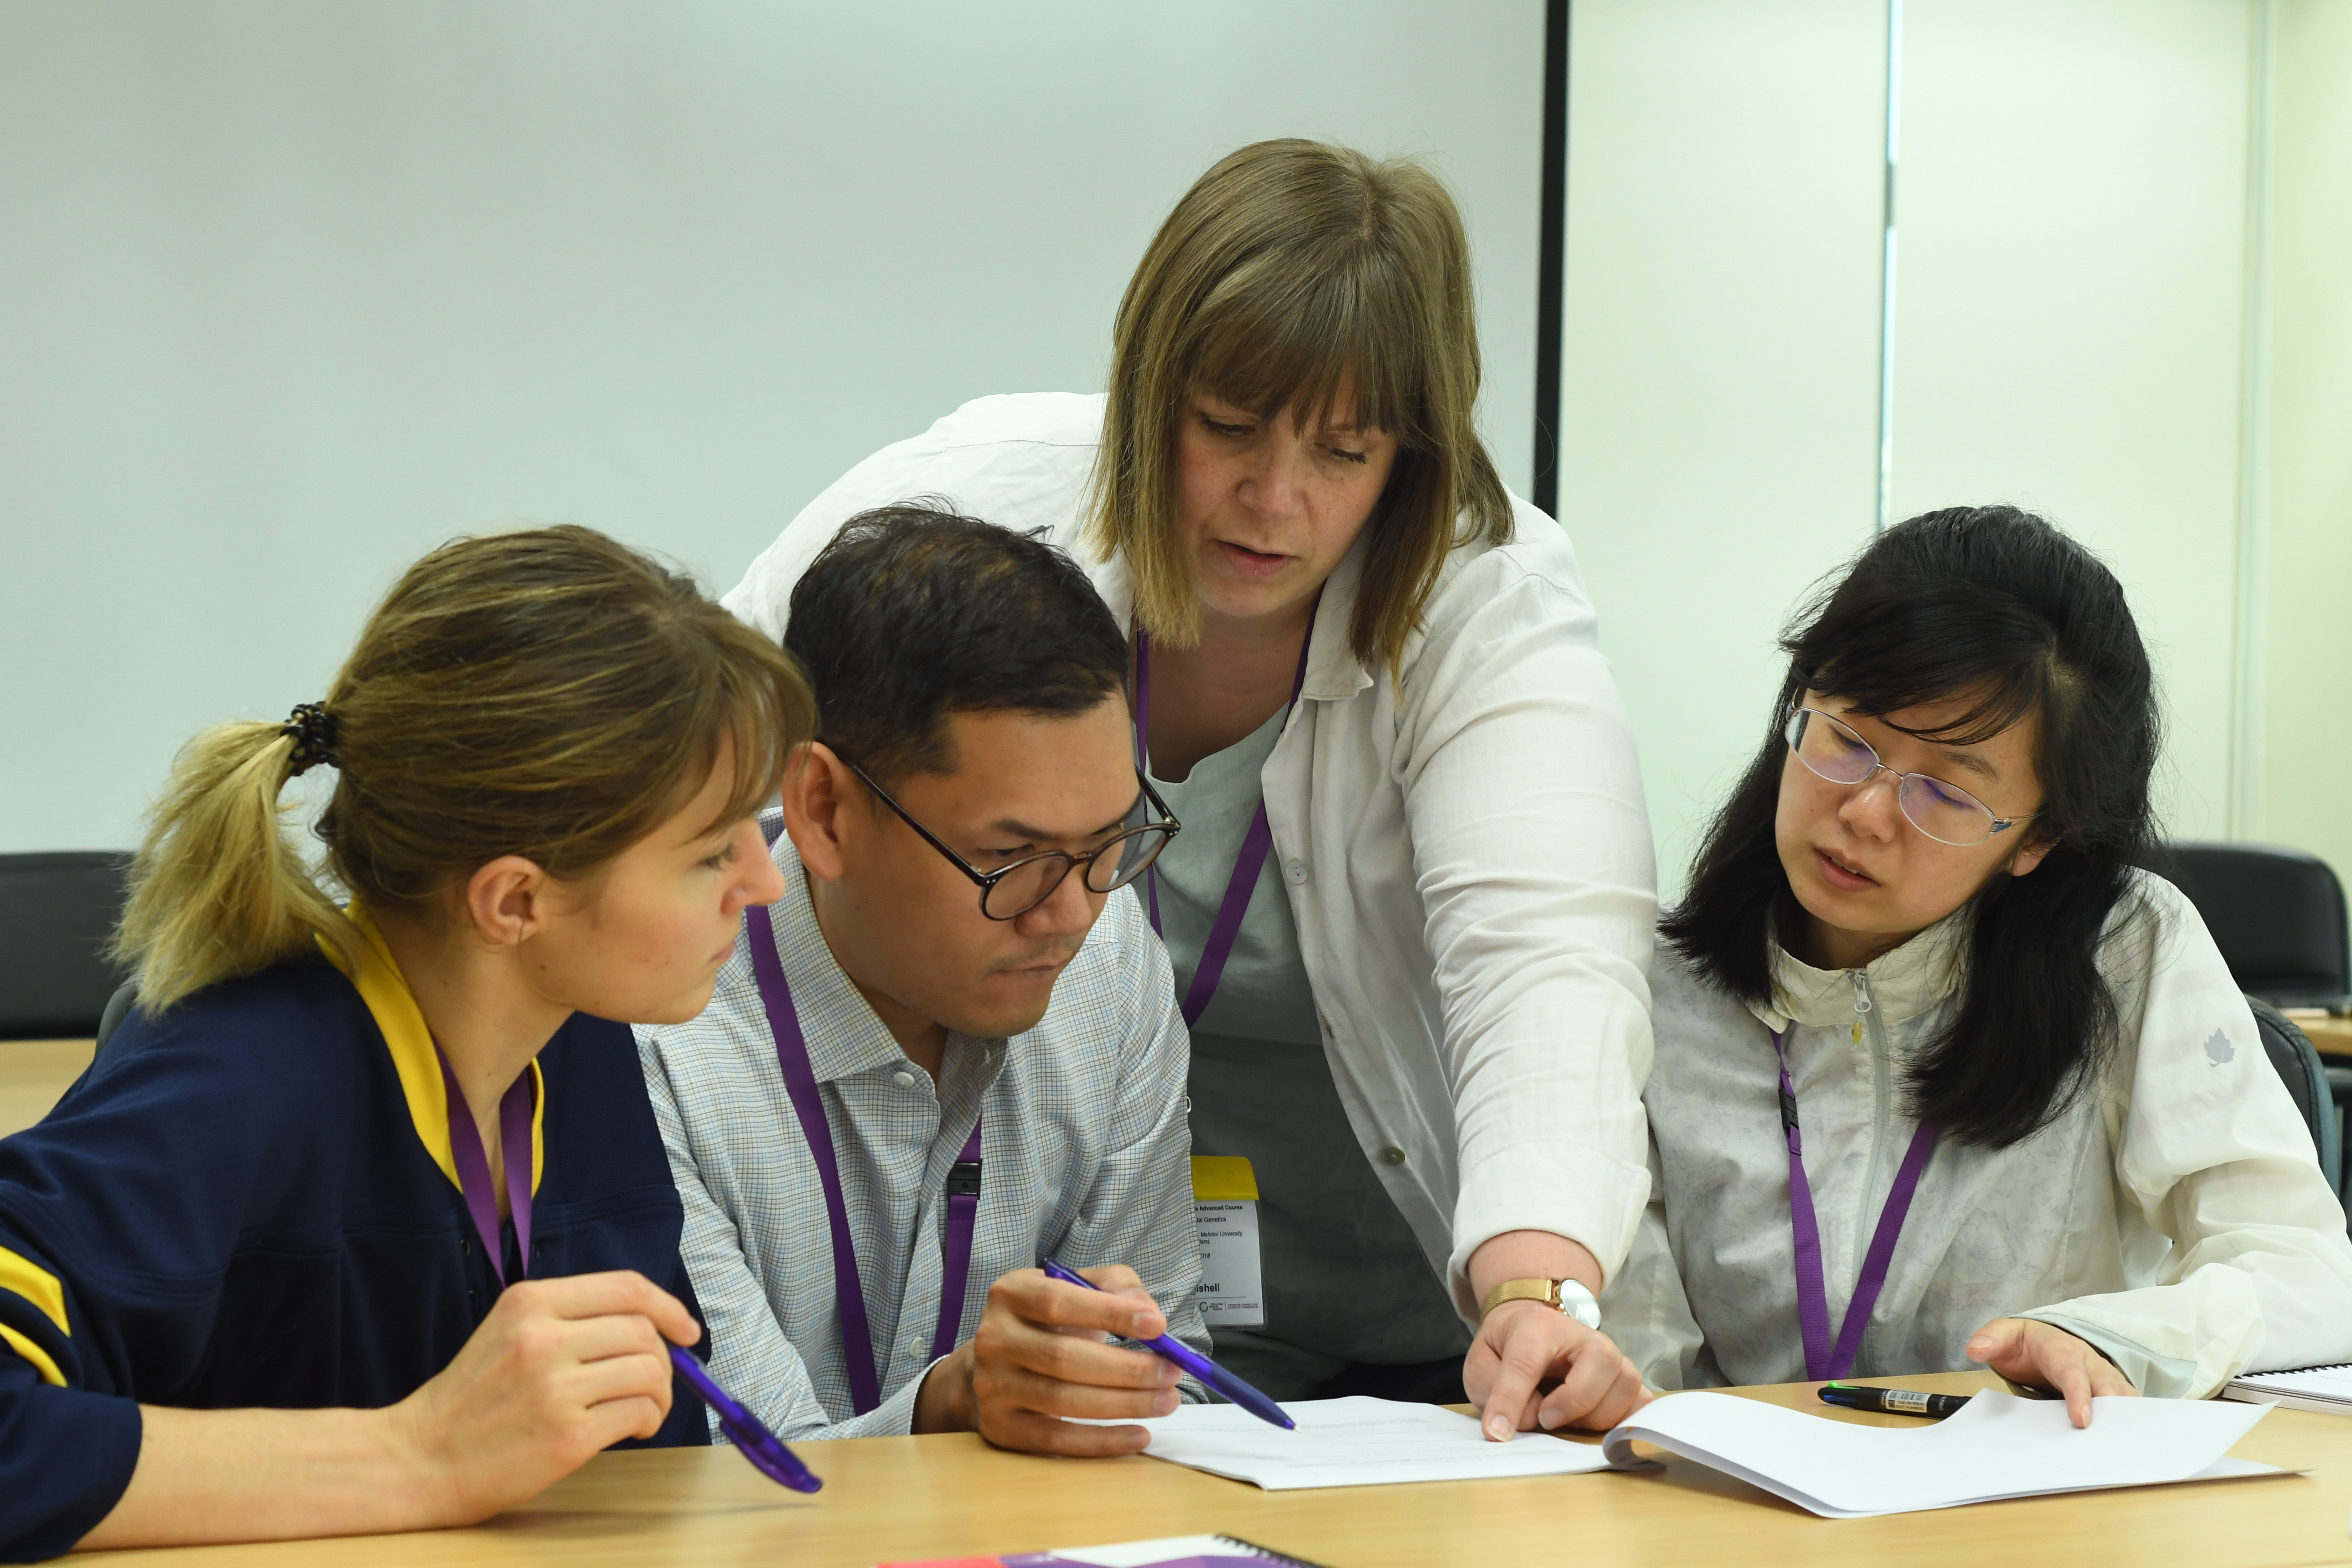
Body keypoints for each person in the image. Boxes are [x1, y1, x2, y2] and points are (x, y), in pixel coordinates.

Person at [726, 139, 1654, 1441]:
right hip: (1109, 1299)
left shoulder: (1484, 607)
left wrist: (1540, 1285)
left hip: (1435, 1314)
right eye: (1226, 427)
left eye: (1344, 450)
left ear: (1412, 458)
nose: (1273, 500)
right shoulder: (983, 499)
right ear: (1150, 388)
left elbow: (1549, 965)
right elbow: (690, 749)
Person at [0, 525, 814, 1558]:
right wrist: (417, 1455)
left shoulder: (578, 1049)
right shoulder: (229, 1083)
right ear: (516, 900)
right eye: (711, 853)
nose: (766, 880)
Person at [1626, 505, 2352, 1424]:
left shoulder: (2123, 950)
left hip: (2028, 1505)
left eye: (1948, 791)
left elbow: (2308, 1269)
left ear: (2039, 837)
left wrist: (2124, 1338)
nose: (1866, 812)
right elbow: (1634, 1357)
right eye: (1847, 739)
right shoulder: (1651, 979)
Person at [640, 506, 1208, 1457]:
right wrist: (952, 1404)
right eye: (1011, 857)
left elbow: (1167, 1391)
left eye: (1112, 842)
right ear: (822, 808)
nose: (1073, 914)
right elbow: (735, 1476)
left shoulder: (1109, 972)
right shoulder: (661, 1034)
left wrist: (1118, 1383)